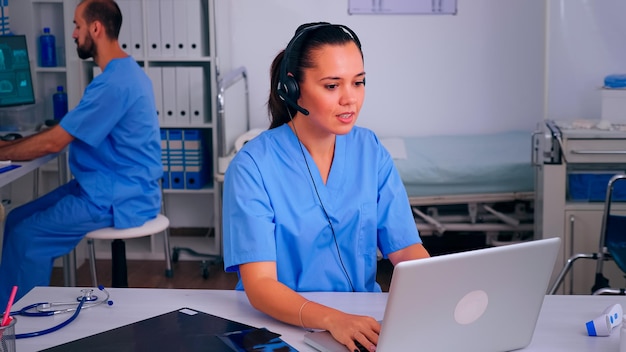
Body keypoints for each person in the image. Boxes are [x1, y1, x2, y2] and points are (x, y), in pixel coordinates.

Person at [222, 22, 430, 352]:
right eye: (332, 86)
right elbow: (259, 285)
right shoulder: (252, 166)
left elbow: (406, 249)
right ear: (293, 88)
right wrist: (332, 319)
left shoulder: (370, 150)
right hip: (279, 329)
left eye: (359, 82)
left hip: (363, 323)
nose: (351, 99)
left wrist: (445, 297)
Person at [0, 0, 162, 305]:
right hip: (106, 184)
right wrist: (6, 147)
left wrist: (5, 151)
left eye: (77, 25)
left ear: (96, 28)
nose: (74, 33)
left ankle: (18, 328)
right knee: (16, 218)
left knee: (28, 236)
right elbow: (63, 132)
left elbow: (53, 142)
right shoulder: (124, 73)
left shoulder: (113, 84)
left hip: (119, 197)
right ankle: (6, 314)